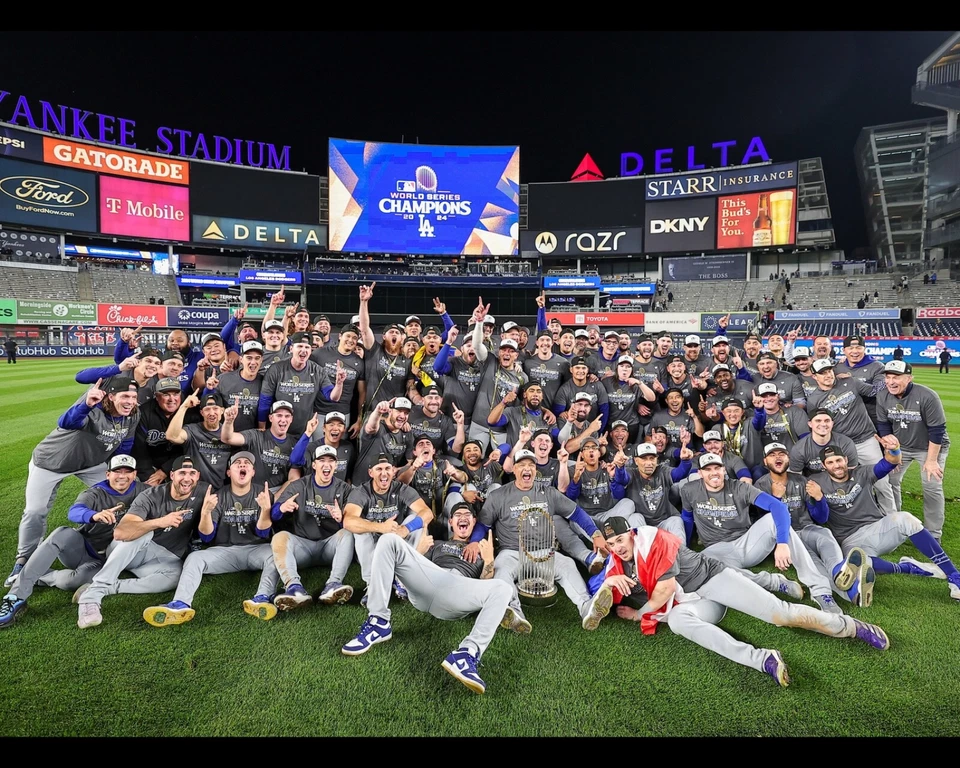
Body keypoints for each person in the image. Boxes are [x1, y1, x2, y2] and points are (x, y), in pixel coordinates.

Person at [584, 517, 889, 687]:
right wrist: (608, 582)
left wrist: (640, 614)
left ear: (633, 535)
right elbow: (600, 594)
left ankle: (851, 627)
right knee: (678, 622)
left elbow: (663, 591)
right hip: (694, 604)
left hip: (711, 580)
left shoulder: (656, 540)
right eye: (611, 544)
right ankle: (763, 660)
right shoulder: (616, 562)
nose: (617, 548)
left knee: (780, 615)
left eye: (621, 540)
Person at [341, 502, 520, 695]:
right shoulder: (438, 544)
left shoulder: (479, 551)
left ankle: (466, 655)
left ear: (474, 522)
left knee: (503, 588)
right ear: (451, 522)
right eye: (457, 514)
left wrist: (488, 560)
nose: (462, 517)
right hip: (430, 581)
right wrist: (419, 550)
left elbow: (485, 583)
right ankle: (379, 621)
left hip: (458, 590)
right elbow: (409, 569)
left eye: (467, 514)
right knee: (389, 540)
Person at [6, 376, 141, 588]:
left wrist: (119, 470)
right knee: (35, 511)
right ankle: (23, 561)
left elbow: (126, 443)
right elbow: (67, 422)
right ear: (112, 396)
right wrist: (86, 404)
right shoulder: (94, 408)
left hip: (90, 464)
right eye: (125, 396)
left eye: (134, 397)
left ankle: (118, 544)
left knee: (128, 489)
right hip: (51, 462)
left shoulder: (132, 414)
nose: (130, 401)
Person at [680, 452, 839, 612]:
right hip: (717, 550)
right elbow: (686, 518)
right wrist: (685, 548)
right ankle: (773, 582)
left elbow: (778, 507)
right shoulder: (689, 490)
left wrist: (782, 543)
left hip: (747, 544)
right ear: (700, 473)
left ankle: (821, 592)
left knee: (773, 519)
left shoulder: (739, 487)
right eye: (708, 469)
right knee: (705, 563)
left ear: (724, 470)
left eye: (717, 468)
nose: (714, 472)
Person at [0, 455, 145, 628]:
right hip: (83, 550)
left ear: (134, 474)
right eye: (117, 471)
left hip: (105, 562)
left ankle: (40, 576)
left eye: (127, 471)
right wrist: (93, 515)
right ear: (107, 474)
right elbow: (74, 512)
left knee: (72, 583)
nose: (122, 476)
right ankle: (16, 597)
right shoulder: (95, 492)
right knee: (62, 533)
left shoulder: (145, 490)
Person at [808, 442, 960, 606]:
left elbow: (890, 462)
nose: (836, 465)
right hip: (849, 539)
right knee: (857, 566)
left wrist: (894, 449)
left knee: (906, 519)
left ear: (845, 460)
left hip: (879, 529)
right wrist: (818, 498)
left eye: (838, 460)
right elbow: (821, 519)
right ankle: (908, 567)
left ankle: (954, 576)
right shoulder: (816, 482)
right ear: (824, 465)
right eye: (830, 462)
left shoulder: (862, 472)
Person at [142, 452, 278, 626]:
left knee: (276, 555)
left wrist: (266, 509)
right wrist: (205, 512)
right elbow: (207, 537)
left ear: (253, 472)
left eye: (247, 463)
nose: (242, 465)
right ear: (229, 472)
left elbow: (263, 534)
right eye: (237, 463)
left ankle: (262, 598)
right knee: (195, 558)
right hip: (224, 551)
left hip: (255, 549)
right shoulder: (218, 496)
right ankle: (180, 604)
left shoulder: (263, 494)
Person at [75, 456, 209, 628]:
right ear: (172, 475)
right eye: (182, 473)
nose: (187, 478)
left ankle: (110, 587)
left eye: (192, 473)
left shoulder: (204, 492)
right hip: (132, 550)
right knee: (143, 533)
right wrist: (159, 522)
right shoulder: (151, 495)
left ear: (198, 476)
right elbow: (121, 532)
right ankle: (92, 596)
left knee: (176, 575)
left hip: (161, 558)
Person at [270, 445, 356, 609]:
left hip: (330, 547)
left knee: (347, 533)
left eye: (331, 461)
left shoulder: (344, 488)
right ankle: (294, 588)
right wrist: (281, 509)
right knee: (279, 537)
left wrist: (341, 519)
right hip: (303, 547)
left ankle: (333, 584)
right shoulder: (299, 485)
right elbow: (273, 515)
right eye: (322, 460)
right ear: (314, 465)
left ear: (336, 466)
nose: (326, 464)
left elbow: (354, 522)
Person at [876, 360, 949, 541]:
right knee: (889, 480)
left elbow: (937, 430)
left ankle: (933, 534)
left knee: (931, 485)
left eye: (897, 377)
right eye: (888, 377)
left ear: (909, 378)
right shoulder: (883, 395)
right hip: (902, 447)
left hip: (929, 447)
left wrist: (931, 461)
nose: (891, 381)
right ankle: (895, 524)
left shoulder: (927, 396)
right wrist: (891, 451)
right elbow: (884, 426)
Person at [342, 454, 434, 598]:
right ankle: (372, 584)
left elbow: (428, 513)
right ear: (370, 472)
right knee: (359, 528)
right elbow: (348, 521)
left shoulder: (401, 489)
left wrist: (406, 528)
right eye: (379, 469)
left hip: (396, 538)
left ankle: (401, 579)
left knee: (417, 520)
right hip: (372, 546)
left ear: (393, 471)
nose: (384, 473)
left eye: (387, 469)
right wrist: (381, 527)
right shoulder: (361, 492)